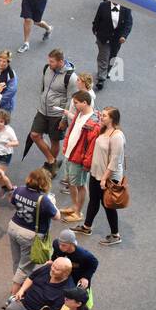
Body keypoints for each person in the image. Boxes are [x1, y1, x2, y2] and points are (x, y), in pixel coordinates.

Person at [75, 106, 125, 244]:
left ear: (112, 119)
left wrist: (104, 179)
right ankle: (87, 226)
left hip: (108, 177)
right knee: (94, 200)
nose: (101, 117)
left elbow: (115, 161)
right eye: (101, 115)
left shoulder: (117, 136)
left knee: (108, 204)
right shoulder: (103, 130)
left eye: (104, 116)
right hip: (96, 173)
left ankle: (115, 235)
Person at [5, 168, 59, 291]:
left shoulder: (18, 190)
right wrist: (53, 203)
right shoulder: (44, 200)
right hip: (30, 234)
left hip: (14, 226)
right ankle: (14, 294)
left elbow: (12, 201)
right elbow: (57, 216)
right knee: (25, 267)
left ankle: (20, 284)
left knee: (17, 261)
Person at [56, 90, 100, 223]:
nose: (74, 105)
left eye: (76, 103)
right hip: (70, 154)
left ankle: (78, 212)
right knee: (71, 182)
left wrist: (86, 163)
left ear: (85, 103)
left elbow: (91, 146)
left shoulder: (93, 123)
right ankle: (74, 206)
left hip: (79, 159)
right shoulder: (79, 114)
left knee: (80, 185)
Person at [91, 0, 132, 92]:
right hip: (103, 36)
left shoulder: (126, 8)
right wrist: (95, 30)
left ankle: (107, 70)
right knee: (103, 56)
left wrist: (124, 36)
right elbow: (97, 19)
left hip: (117, 39)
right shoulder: (103, 6)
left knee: (112, 55)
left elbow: (128, 24)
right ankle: (101, 78)